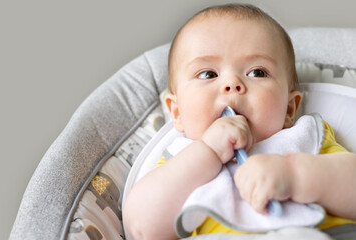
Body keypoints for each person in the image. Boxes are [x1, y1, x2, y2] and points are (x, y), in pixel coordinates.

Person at [123, 4, 356, 239]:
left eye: (257, 72)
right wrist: (209, 152)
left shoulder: (305, 139)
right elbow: (141, 227)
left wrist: (296, 176)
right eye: (208, 74)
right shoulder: (179, 162)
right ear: (177, 113)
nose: (232, 83)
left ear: (289, 108)